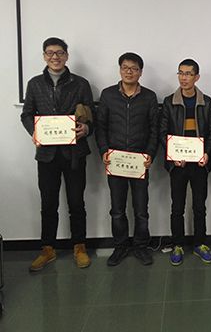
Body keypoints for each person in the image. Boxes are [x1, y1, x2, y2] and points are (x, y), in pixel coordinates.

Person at [21, 37, 94, 271]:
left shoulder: (80, 83)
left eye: (60, 52)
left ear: (66, 56)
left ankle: (79, 247)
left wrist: (86, 129)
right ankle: (48, 249)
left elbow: (91, 114)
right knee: (48, 202)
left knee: (76, 202)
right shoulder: (34, 84)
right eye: (50, 53)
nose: (55, 57)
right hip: (47, 154)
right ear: (44, 56)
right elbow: (26, 114)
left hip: (75, 153)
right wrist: (34, 131)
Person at [96, 52, 158, 266]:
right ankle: (120, 246)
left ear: (140, 72)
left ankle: (141, 246)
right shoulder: (108, 95)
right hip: (115, 161)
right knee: (117, 209)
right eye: (125, 67)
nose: (129, 72)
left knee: (141, 210)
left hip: (140, 162)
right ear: (120, 70)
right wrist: (104, 150)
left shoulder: (149, 97)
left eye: (134, 68)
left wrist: (150, 154)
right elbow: (100, 127)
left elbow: (154, 130)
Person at [159, 58, 211, 265]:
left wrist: (207, 153)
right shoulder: (169, 102)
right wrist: (173, 156)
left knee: (200, 206)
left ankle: (200, 244)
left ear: (196, 77)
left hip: (200, 164)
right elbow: (163, 132)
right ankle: (178, 245)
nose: (184, 78)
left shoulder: (206, 102)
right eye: (181, 73)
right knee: (177, 207)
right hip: (178, 164)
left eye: (188, 74)